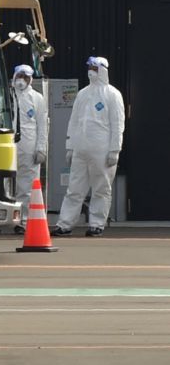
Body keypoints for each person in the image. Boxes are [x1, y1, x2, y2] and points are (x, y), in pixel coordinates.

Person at [51, 56, 125, 237]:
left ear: (103, 70)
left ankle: (97, 224)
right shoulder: (83, 94)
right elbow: (74, 121)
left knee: (101, 188)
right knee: (74, 189)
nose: (90, 70)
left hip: (102, 150)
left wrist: (115, 149)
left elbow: (118, 124)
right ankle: (65, 224)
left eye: (94, 67)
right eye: (89, 67)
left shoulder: (113, 94)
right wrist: (70, 146)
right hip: (81, 149)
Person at [12, 65, 48, 235]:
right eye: (19, 76)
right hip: (7, 144)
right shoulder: (6, 94)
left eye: (25, 77)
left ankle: (23, 221)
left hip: (29, 146)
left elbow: (42, 125)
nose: (22, 80)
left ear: (30, 79)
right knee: (5, 182)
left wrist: (41, 148)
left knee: (26, 185)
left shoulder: (37, 98)